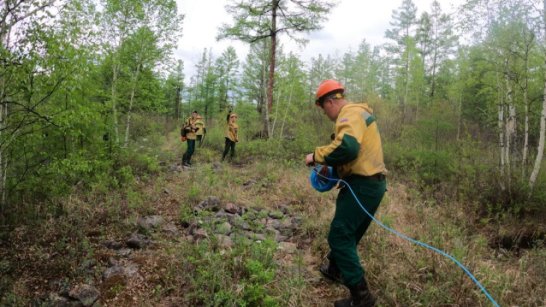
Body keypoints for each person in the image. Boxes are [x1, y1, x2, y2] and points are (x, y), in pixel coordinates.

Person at [305, 79, 387, 307]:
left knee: (340, 236)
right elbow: (354, 153)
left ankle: (362, 298)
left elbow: (348, 148)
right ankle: (334, 268)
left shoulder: (348, 114)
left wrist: (316, 155)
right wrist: (332, 169)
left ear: (330, 102)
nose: (325, 114)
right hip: (372, 185)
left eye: (323, 109)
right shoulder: (358, 114)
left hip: (363, 185)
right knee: (348, 234)